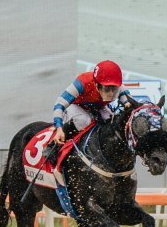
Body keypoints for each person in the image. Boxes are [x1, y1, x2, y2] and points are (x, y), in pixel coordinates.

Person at [47, 60, 126, 217]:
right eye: (107, 88)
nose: (111, 93)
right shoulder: (82, 83)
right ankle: (54, 147)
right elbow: (59, 104)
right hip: (75, 108)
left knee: (111, 123)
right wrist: (59, 127)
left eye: (114, 89)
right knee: (84, 121)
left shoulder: (119, 88)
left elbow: (129, 103)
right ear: (96, 84)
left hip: (96, 107)